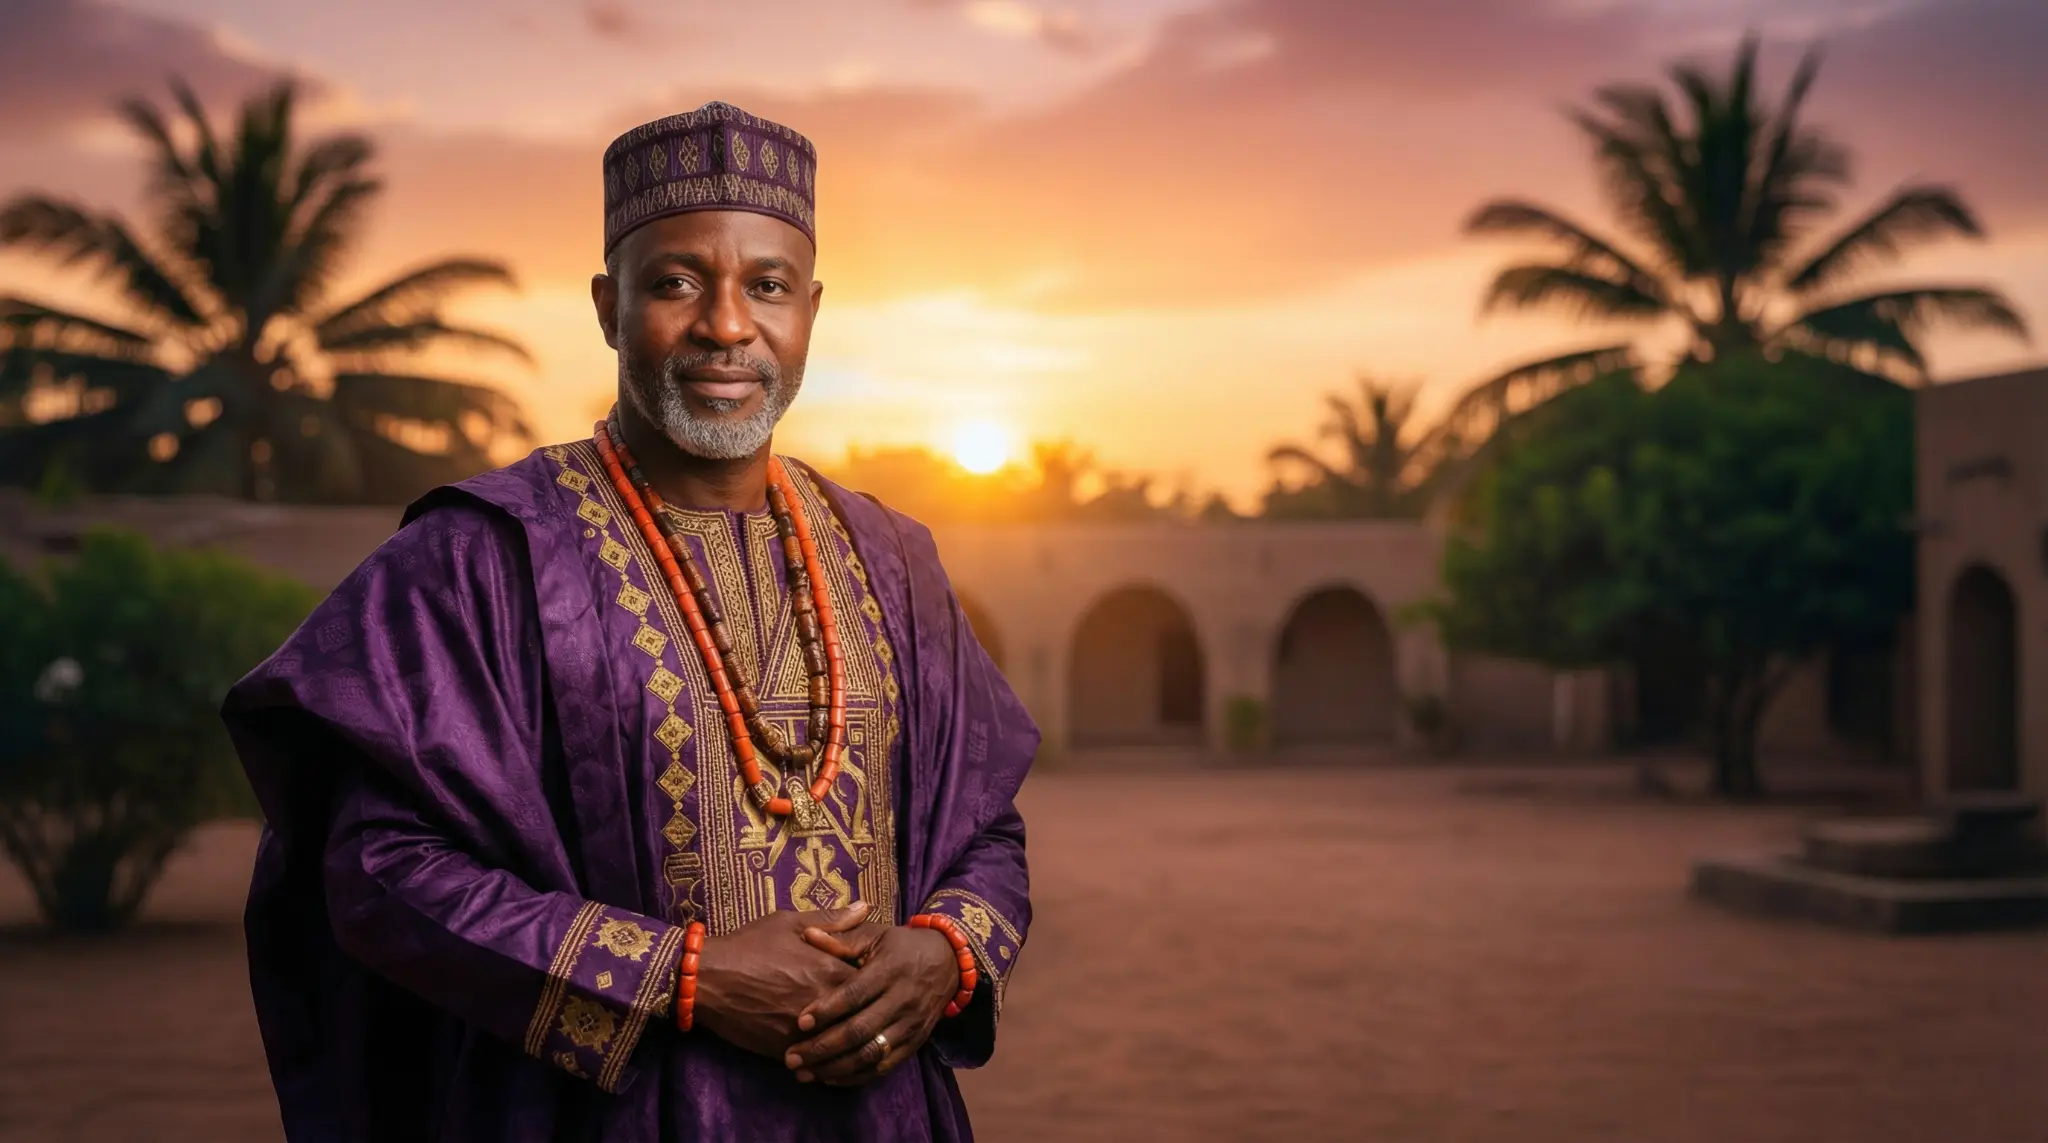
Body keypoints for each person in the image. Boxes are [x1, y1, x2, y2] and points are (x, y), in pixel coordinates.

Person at [223, 101, 1037, 1143]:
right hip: (600, 1116)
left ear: (811, 313)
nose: (726, 325)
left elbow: (986, 831)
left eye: (767, 286)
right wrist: (677, 977)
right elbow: (375, 867)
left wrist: (944, 953)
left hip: (879, 1114)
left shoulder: (896, 562)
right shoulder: (480, 557)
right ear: (609, 307)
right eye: (675, 282)